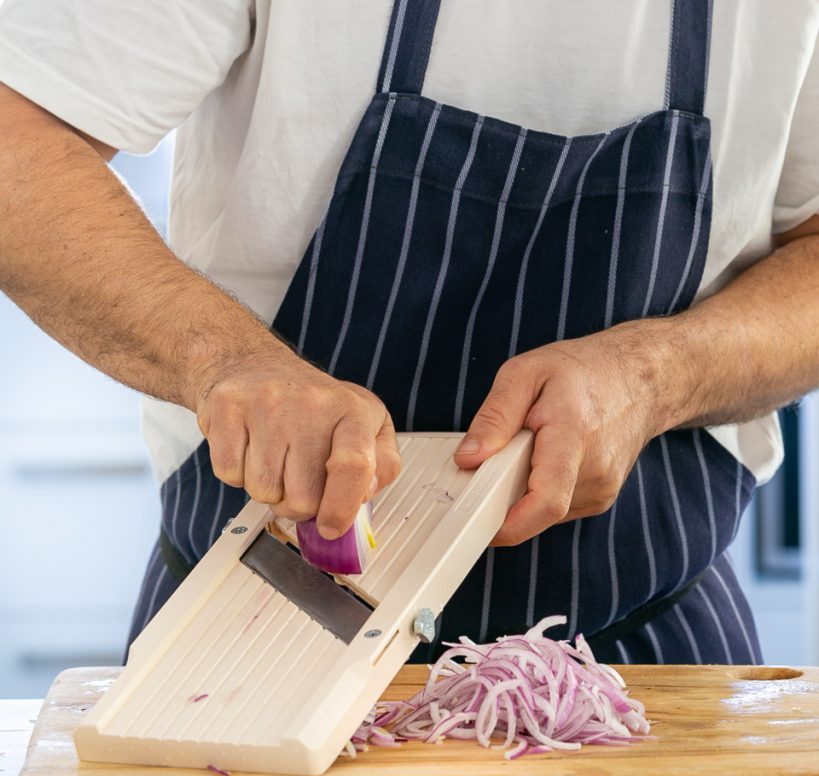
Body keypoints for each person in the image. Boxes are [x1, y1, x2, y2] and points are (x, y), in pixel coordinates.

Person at [0, 0, 817, 665]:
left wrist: (655, 377)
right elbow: (16, 136)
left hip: (649, 640)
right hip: (251, 634)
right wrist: (228, 364)